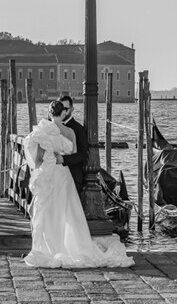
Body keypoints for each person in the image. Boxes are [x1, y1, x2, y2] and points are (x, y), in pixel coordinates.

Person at [22, 100, 133, 268]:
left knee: (46, 213)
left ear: (49, 113)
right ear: (64, 113)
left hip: (49, 175)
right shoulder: (70, 132)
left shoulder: (41, 132)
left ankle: (47, 249)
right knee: (66, 212)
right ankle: (68, 248)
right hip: (63, 174)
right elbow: (73, 152)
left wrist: (45, 164)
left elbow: (37, 161)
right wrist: (60, 157)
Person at [58, 95, 87, 199]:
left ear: (72, 109)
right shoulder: (52, 127)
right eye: (60, 108)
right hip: (55, 173)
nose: (63, 112)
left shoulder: (78, 129)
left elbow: (83, 154)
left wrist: (63, 160)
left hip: (72, 174)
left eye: (65, 109)